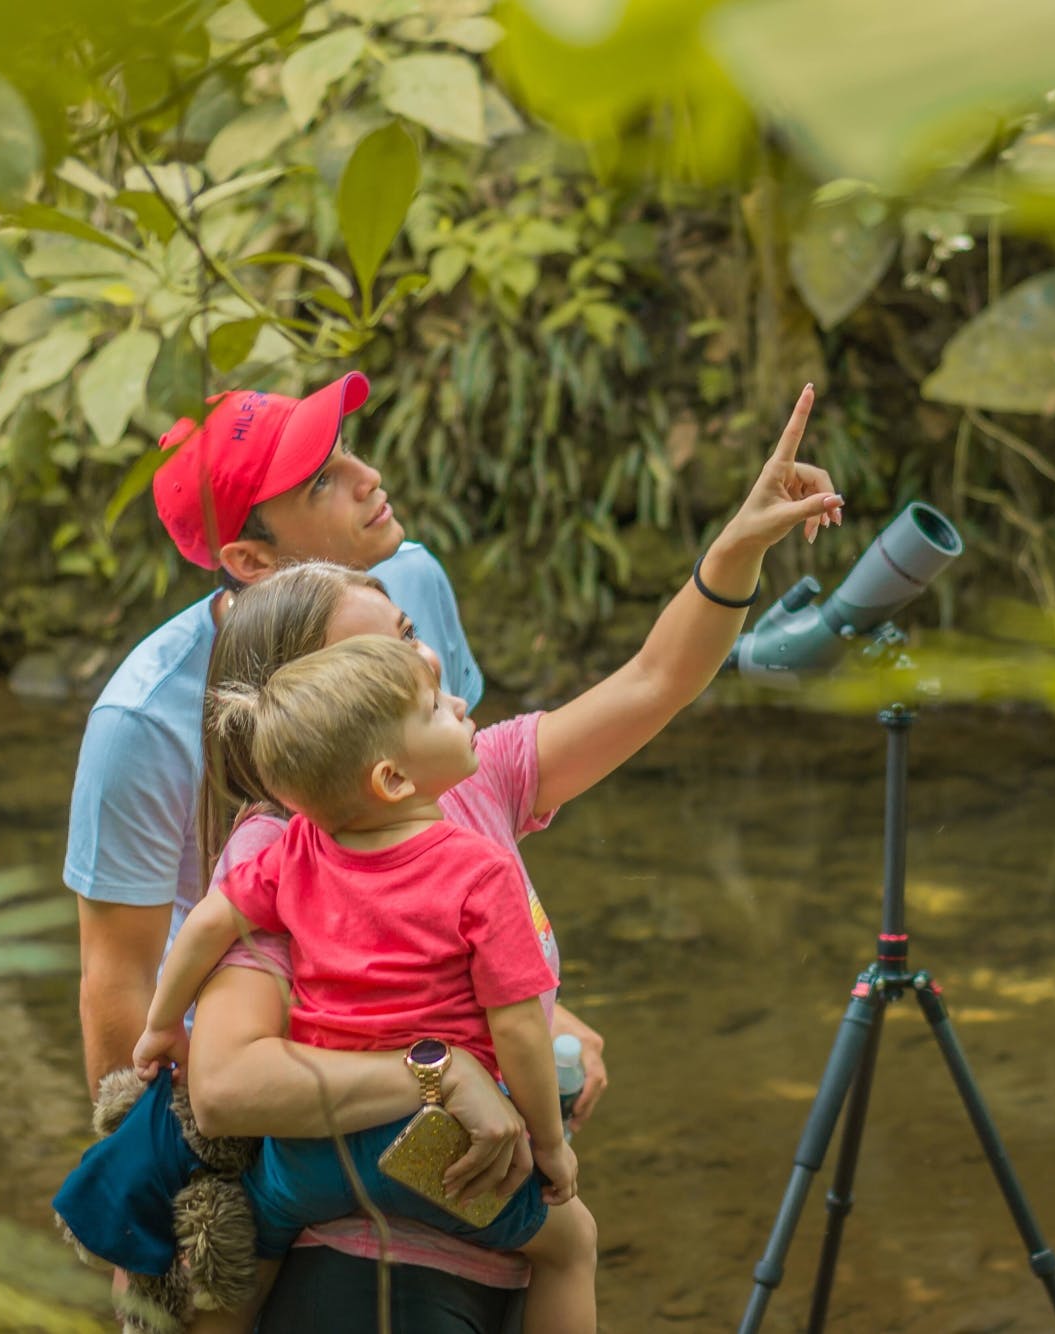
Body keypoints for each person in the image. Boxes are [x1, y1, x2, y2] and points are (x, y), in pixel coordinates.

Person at [66, 379, 836, 1329]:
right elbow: (213, 1072)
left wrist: (735, 548)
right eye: (396, 660)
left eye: (408, 634)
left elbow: (654, 680)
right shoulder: (277, 843)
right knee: (570, 1235)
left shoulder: (465, 778)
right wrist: (458, 1082)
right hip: (385, 1245)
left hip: (393, 1207)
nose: (430, 660)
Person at [132, 637, 595, 1333]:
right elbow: (520, 1028)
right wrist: (551, 1144)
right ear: (393, 780)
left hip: (310, 1149)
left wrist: (162, 1025)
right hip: (429, 1146)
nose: (460, 704)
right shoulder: (479, 874)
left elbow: (204, 928)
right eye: (437, 709)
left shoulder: (295, 849)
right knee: (571, 1243)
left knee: (251, 1239)